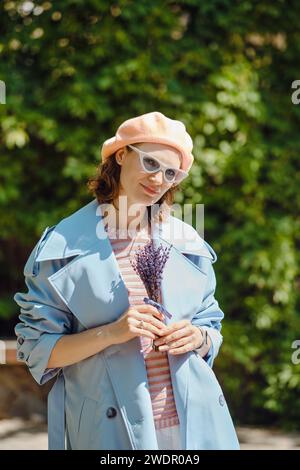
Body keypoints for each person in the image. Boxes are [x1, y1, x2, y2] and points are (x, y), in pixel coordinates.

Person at [14, 111, 240, 450]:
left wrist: (198, 337)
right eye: (150, 163)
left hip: (194, 426)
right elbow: (36, 349)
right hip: (109, 433)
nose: (158, 179)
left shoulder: (187, 242)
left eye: (170, 173)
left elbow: (211, 328)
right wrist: (113, 333)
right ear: (121, 155)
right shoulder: (62, 245)